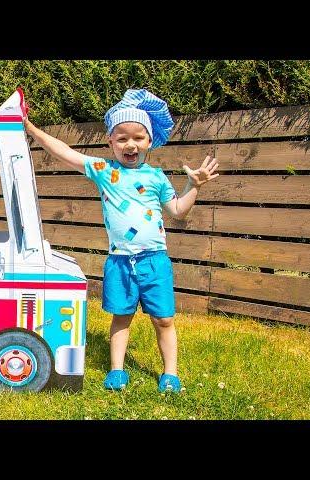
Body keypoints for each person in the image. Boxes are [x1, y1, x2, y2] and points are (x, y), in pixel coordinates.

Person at [24, 89, 219, 393]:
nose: (131, 144)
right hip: (120, 262)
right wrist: (31, 127)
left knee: (164, 320)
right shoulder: (104, 171)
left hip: (155, 262)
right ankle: (117, 371)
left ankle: (170, 373)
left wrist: (193, 185)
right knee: (121, 318)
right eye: (122, 138)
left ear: (149, 141)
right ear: (110, 143)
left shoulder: (156, 177)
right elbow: (65, 152)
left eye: (138, 137)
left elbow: (179, 211)